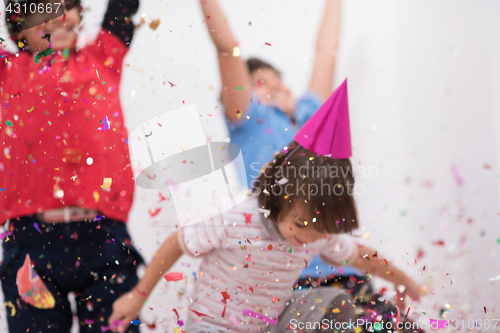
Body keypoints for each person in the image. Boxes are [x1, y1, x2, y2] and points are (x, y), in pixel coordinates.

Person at [109, 82, 422, 333]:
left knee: (334, 301)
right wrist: (138, 297)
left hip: (268, 323)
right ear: (278, 198)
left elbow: (363, 257)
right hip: (213, 325)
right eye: (300, 225)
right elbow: (176, 244)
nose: (310, 238)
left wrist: (404, 281)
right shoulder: (236, 217)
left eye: (321, 231)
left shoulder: (314, 230)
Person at [0, 1, 142, 332]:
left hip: (105, 238)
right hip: (30, 247)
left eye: (67, 7)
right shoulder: (8, 72)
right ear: (17, 30)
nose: (60, 19)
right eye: (42, 13)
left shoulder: (104, 57)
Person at [199, 0, 341, 189]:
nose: (276, 86)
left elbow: (326, 51)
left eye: (278, 80)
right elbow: (228, 51)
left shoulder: (307, 115)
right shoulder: (251, 119)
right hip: (265, 216)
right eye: (262, 83)